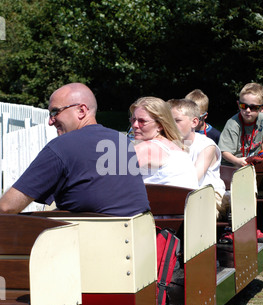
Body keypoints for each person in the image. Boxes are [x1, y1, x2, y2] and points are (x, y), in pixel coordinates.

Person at [0, 83, 150, 216]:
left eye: (55, 112)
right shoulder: (121, 141)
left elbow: (6, 207)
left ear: (81, 110)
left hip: (89, 242)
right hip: (134, 239)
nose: (50, 121)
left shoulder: (61, 147)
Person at [169, 98, 229, 219]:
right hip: (181, 197)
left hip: (210, 196)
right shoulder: (168, 144)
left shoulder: (206, 145)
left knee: (197, 210)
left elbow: (192, 179)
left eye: (177, 121)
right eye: (168, 121)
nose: (171, 125)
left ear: (194, 122)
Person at [129, 96, 198, 189]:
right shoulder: (175, 147)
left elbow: (111, 173)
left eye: (142, 121)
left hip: (166, 202)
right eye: (133, 120)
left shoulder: (148, 148)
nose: (134, 125)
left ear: (160, 125)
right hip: (186, 201)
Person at [218, 82, 263, 167]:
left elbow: (262, 137)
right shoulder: (232, 124)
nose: (247, 110)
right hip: (231, 165)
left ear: (262, 108)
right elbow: (224, 151)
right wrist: (236, 161)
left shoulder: (262, 119)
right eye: (243, 106)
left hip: (250, 162)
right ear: (238, 105)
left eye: (253, 107)